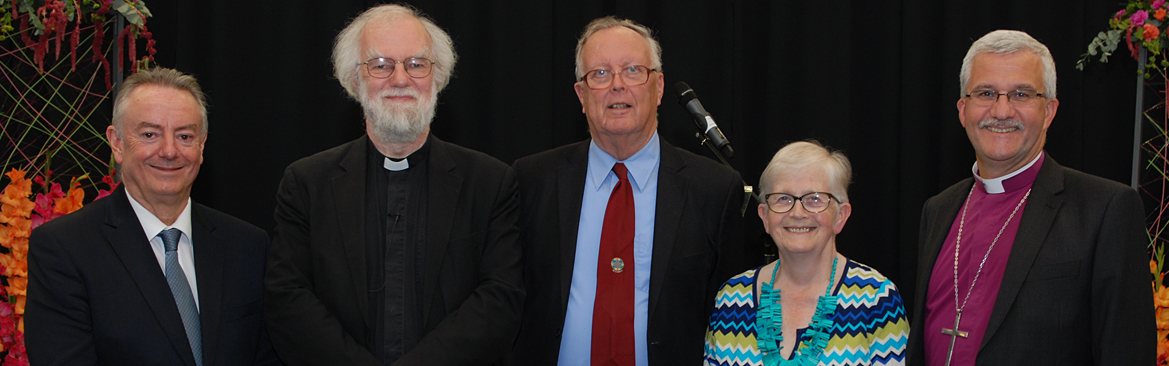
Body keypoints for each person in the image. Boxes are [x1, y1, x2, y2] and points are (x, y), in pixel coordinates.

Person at [263, 4, 523, 365]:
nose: (400, 79)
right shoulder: (306, 184)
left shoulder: (490, 182)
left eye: (416, 64)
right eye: (381, 64)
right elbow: (288, 299)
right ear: (355, 79)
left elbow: (499, 300)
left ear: (438, 76)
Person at [507, 16, 746, 365]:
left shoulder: (714, 189)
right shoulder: (531, 180)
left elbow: (728, 317)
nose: (617, 85)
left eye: (633, 70)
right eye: (600, 74)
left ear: (659, 87)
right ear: (581, 95)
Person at [908, 29, 1154, 365]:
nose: (1002, 110)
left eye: (1021, 94)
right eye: (986, 92)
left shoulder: (1104, 208)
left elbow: (1127, 353)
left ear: (1049, 111)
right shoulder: (938, 209)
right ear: (963, 110)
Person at [25, 67, 279, 365]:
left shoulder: (247, 246)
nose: (169, 151)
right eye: (150, 134)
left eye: (184, 135)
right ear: (117, 143)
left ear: (202, 145)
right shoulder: (64, 248)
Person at [703, 141, 908, 366]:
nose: (798, 212)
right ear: (765, 216)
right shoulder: (731, 299)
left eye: (815, 198)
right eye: (783, 198)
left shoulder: (876, 298)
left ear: (841, 215)